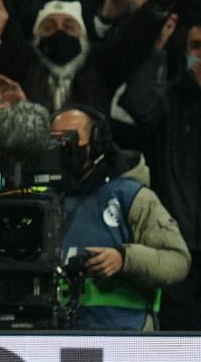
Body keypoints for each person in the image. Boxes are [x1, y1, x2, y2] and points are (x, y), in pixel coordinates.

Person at [48, 106, 191, 330]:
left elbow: (177, 261)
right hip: (51, 338)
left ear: (96, 142)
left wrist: (124, 259)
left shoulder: (131, 196)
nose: (63, 147)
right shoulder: (43, 198)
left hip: (124, 340)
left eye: (71, 138)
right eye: (55, 140)